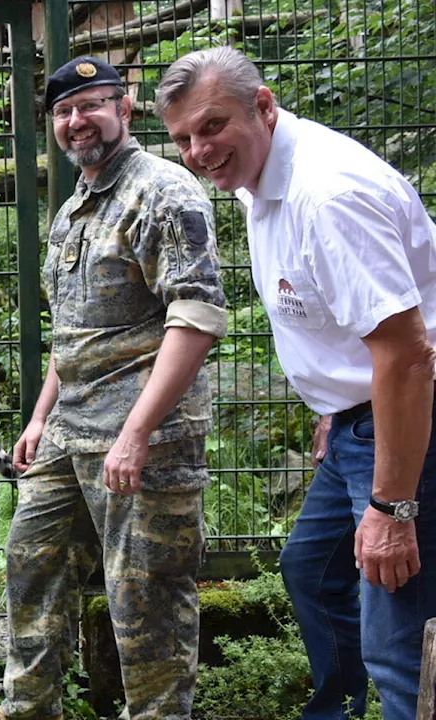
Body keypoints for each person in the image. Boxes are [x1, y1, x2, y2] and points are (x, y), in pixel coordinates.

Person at [157, 46, 436, 720]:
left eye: (212, 126)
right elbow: (349, 324)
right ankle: (333, 712)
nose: (198, 150)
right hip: (357, 418)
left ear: (264, 105)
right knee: (311, 571)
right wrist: (334, 404)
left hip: (406, 419)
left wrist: (393, 509)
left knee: (397, 642)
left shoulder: (328, 195)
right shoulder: (261, 174)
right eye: (184, 138)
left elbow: (406, 355)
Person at [0, 56, 227, 720]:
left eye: (91, 105)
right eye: (63, 111)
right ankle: (28, 710)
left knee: (147, 601)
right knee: (32, 568)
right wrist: (39, 418)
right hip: (70, 430)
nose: (77, 120)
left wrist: (136, 435)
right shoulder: (75, 204)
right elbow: (74, 329)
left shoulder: (164, 192)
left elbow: (195, 319)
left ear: (125, 107)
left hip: (147, 440)